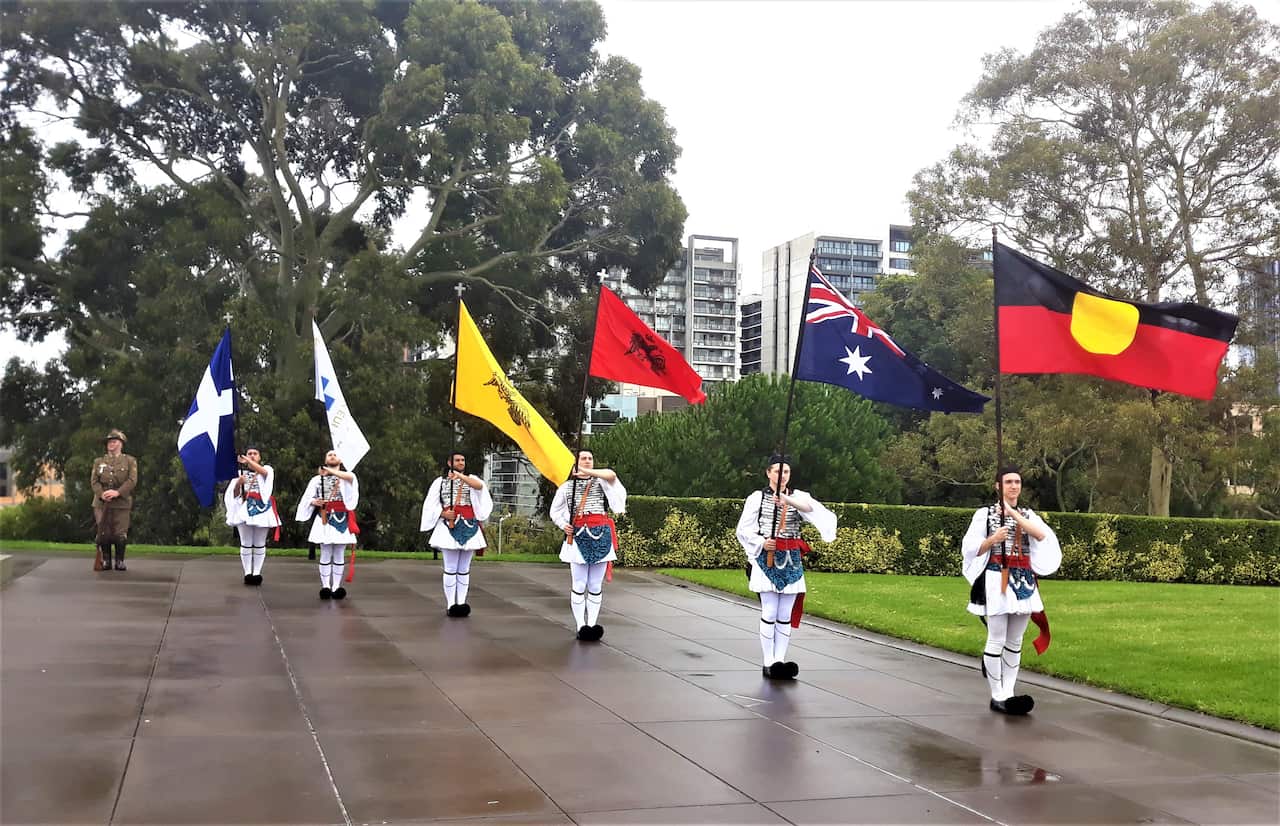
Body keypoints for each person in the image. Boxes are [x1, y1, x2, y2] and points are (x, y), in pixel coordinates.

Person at [961, 465, 1062, 715]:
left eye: (1017, 482)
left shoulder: (1028, 514)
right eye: (1008, 482)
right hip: (998, 577)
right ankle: (997, 695)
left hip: (1024, 580)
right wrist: (993, 539)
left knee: (1015, 640)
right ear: (998, 486)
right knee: (996, 637)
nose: (1014, 486)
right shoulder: (984, 515)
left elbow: (1041, 535)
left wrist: (1014, 515)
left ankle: (1009, 691)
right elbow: (971, 549)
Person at [736, 454, 837, 680]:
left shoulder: (797, 497)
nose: (783, 476)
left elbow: (810, 508)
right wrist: (762, 542)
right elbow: (743, 529)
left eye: (787, 472)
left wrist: (786, 500)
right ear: (768, 473)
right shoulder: (757, 498)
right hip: (767, 557)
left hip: (791, 558)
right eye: (778, 471)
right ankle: (768, 662)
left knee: (785, 613)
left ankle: (780, 659)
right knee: (770, 611)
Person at [550, 449, 626, 641]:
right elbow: (555, 511)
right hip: (578, 536)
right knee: (579, 583)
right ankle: (580, 625)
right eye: (584, 458)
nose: (588, 461)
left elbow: (612, 474)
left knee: (594, 584)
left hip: (600, 535)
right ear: (576, 461)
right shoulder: (567, 487)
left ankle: (592, 624)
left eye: (590, 458)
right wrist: (563, 525)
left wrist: (587, 472)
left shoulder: (601, 481)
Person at [420, 452, 493, 616]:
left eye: (463, 460)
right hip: (448, 526)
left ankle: (461, 602)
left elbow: (479, 487)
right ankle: (451, 604)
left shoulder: (471, 479)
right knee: (451, 567)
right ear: (449, 462)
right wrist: (442, 514)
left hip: (469, 525)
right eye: (457, 460)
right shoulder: (440, 482)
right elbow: (430, 504)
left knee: (464, 568)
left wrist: (460, 476)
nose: (461, 462)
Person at [295, 451, 359, 600]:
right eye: (329, 454)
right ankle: (325, 586)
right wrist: (314, 502)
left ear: (340, 459)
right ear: (325, 459)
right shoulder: (317, 479)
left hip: (342, 518)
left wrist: (328, 470)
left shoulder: (348, 476)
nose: (332, 456)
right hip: (324, 517)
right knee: (325, 552)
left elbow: (351, 478)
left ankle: (336, 587)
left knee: (338, 553)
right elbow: (307, 497)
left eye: (335, 454)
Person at [224, 446, 281, 586]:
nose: (252, 455)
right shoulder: (238, 473)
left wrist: (248, 460)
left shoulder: (267, 469)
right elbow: (234, 494)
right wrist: (239, 483)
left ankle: (257, 572)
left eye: (255, 453)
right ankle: (247, 573)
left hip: (262, 508)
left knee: (260, 543)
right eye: (249, 453)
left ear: (259, 457)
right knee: (246, 542)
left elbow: (263, 473)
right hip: (244, 508)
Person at [91, 429, 138, 572]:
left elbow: (132, 480)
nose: (111, 444)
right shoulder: (99, 461)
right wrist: (101, 493)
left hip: (121, 503)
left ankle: (119, 561)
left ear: (121, 444)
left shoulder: (130, 461)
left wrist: (118, 492)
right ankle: (106, 561)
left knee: (120, 534)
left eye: (114, 441)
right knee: (103, 533)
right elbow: (94, 481)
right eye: (109, 442)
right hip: (102, 503)